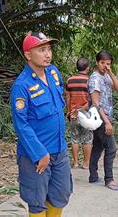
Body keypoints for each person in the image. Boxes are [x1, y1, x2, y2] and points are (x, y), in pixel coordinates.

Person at [10, 32, 72, 217]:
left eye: (49, 49)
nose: (47, 54)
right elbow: (21, 125)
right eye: (41, 50)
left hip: (59, 151)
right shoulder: (22, 85)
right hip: (36, 155)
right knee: (37, 202)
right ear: (28, 54)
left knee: (60, 195)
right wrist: (39, 153)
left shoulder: (53, 73)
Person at [88, 51, 118, 190]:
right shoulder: (95, 78)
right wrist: (107, 122)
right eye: (102, 63)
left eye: (108, 63)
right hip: (100, 117)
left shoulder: (107, 76)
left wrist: (111, 73)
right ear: (97, 62)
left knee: (98, 146)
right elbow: (96, 103)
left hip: (106, 116)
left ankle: (93, 175)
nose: (105, 66)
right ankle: (109, 179)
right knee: (111, 148)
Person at [65, 58, 92, 169]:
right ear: (88, 68)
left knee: (74, 138)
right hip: (86, 113)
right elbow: (92, 98)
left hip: (73, 113)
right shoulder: (90, 81)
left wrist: (68, 110)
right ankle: (86, 164)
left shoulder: (70, 80)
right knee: (87, 138)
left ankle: (75, 163)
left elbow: (68, 96)